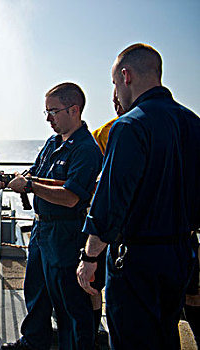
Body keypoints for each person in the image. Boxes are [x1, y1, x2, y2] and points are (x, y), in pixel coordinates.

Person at [77, 43, 200, 350]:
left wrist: (90, 257)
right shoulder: (193, 124)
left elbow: (109, 203)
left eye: (115, 84)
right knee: (165, 335)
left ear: (126, 75)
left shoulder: (130, 125)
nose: (116, 93)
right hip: (181, 256)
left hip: (136, 262)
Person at [0, 82, 103, 349]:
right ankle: (34, 342)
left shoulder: (86, 149)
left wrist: (30, 186)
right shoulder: (53, 142)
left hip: (66, 235)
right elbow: (34, 173)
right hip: (42, 232)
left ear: (74, 110)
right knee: (37, 292)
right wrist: (8, 179)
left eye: (53, 112)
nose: (48, 118)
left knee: (69, 303)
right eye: (46, 112)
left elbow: (71, 197)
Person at [89, 91, 126, 345]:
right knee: (94, 286)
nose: (115, 101)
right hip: (112, 236)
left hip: (118, 237)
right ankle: (94, 331)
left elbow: (110, 196)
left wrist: (89, 254)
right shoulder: (103, 134)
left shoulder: (122, 131)